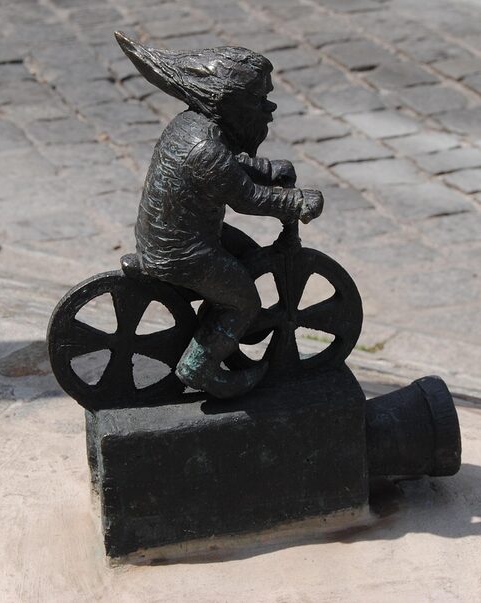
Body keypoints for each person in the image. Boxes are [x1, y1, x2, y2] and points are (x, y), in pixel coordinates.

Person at [115, 32, 324, 398]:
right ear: (231, 102)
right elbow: (246, 197)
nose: (270, 109)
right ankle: (201, 366)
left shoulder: (193, 126)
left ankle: (226, 320)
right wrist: (296, 202)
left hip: (180, 232)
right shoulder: (204, 149)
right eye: (260, 99)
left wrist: (267, 168)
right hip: (182, 252)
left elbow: (231, 167)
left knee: (244, 252)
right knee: (244, 300)